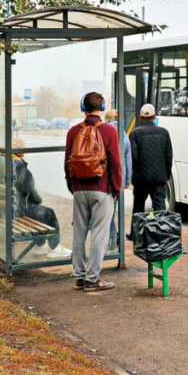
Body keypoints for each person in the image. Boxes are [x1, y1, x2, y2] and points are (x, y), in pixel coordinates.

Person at [64, 92, 122, 293]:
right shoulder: (109, 131)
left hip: (79, 190)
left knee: (78, 233)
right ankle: (92, 279)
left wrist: (72, 186)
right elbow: (115, 163)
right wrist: (115, 189)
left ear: (83, 108)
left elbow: (67, 163)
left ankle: (79, 277)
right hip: (102, 189)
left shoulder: (73, 132)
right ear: (103, 107)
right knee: (99, 234)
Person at [11, 139, 71, 259]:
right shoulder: (19, 166)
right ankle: (55, 247)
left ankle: (40, 245)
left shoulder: (5, 161)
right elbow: (30, 192)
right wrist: (38, 200)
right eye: (23, 148)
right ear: (19, 150)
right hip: (18, 209)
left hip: (9, 206)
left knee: (41, 212)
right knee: (48, 213)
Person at [129, 104, 173, 214]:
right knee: (160, 209)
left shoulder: (135, 133)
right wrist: (166, 175)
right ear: (155, 117)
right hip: (159, 178)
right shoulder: (164, 132)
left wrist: (134, 175)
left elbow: (133, 157)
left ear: (140, 117)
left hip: (141, 178)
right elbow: (168, 156)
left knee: (138, 208)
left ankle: (138, 231)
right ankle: (159, 230)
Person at [104, 109, 132, 251]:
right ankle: (114, 238)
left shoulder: (106, 133)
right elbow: (128, 160)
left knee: (107, 212)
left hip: (108, 179)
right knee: (112, 210)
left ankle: (113, 239)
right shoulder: (124, 135)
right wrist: (127, 180)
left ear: (107, 119)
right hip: (120, 179)